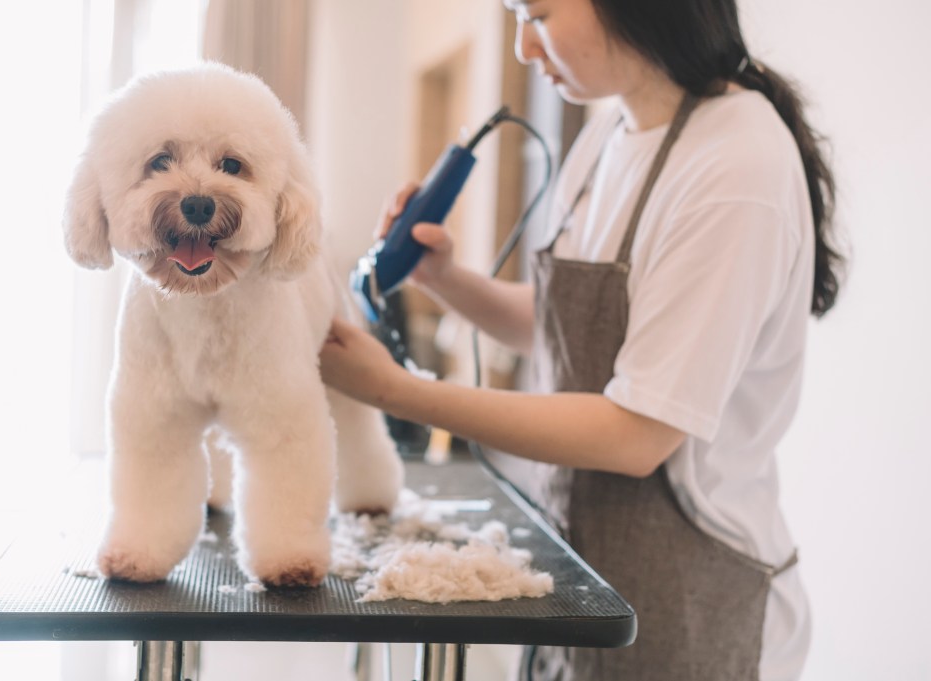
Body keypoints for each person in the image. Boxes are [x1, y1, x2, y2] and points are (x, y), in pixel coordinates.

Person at [320, 0, 844, 679]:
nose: (522, 49)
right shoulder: (608, 135)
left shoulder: (736, 167)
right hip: (583, 572)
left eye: (536, 14)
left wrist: (398, 390)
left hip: (697, 601)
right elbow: (567, 325)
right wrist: (445, 278)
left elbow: (636, 432)